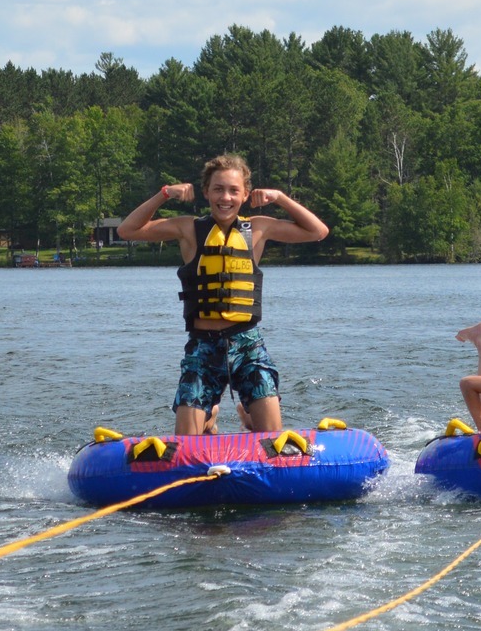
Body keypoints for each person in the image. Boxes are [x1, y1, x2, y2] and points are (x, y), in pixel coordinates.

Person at [116, 153, 329, 435]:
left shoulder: (259, 228)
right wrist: (164, 194)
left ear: (245, 195)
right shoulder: (188, 228)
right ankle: (209, 418)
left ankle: (249, 417)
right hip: (203, 346)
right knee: (187, 440)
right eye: (218, 189)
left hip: (248, 345)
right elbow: (127, 229)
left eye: (233, 190)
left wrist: (279, 197)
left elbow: (318, 231)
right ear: (206, 192)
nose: (225, 197)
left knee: (271, 436)